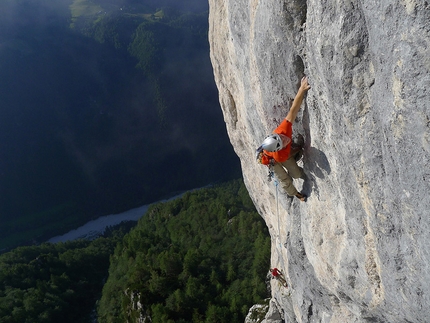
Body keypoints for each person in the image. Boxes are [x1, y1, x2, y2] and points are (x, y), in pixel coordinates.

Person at [256, 76, 311, 202]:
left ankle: (302, 173)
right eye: (283, 143)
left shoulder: (282, 130)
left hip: (277, 153)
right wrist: (297, 149)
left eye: (282, 139)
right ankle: (297, 195)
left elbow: (294, 109)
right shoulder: (280, 155)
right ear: (279, 148)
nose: (286, 140)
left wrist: (302, 89)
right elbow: (287, 154)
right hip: (272, 161)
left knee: (297, 174)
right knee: (285, 179)